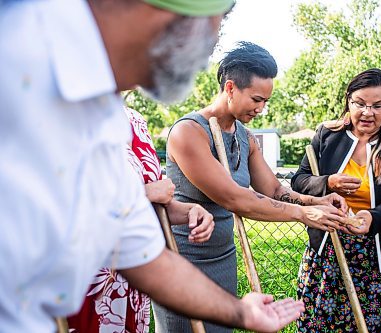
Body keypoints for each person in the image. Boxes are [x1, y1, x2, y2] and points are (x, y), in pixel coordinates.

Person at [0, 1, 304, 332]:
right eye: (209, 34)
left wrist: (242, 314)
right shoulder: (14, 57)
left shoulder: (106, 111)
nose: (204, 60)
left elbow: (142, 254)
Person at [156, 41, 349, 333]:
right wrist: (302, 216)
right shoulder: (188, 132)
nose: (262, 108)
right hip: (184, 262)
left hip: (223, 257)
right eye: (256, 99)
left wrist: (316, 203)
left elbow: (273, 190)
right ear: (231, 88)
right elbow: (236, 199)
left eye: (266, 101)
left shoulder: (245, 136)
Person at [291, 68, 381, 332]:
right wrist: (328, 182)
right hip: (331, 247)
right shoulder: (327, 136)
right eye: (360, 104)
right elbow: (299, 180)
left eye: (378, 105)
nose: (367, 112)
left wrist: (372, 218)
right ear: (348, 101)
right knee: (324, 322)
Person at [67, 106, 215, 333]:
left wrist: (190, 211)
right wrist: (144, 192)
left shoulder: (134, 119)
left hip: (131, 280)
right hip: (85, 280)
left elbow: (155, 204)